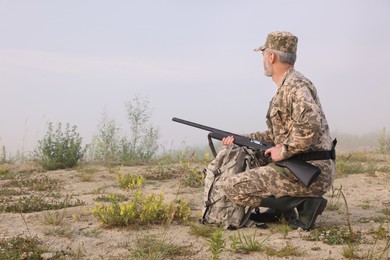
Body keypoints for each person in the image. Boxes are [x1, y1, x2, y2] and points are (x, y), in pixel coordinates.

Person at [221, 31, 336, 230]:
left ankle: (307, 203)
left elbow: (311, 126)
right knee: (255, 156)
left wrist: (282, 151)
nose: (263, 60)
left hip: (312, 172)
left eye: (264, 54)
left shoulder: (295, 86)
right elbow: (275, 136)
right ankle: (282, 210)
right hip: (302, 165)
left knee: (232, 187)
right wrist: (241, 138)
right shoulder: (287, 86)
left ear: (271, 56)